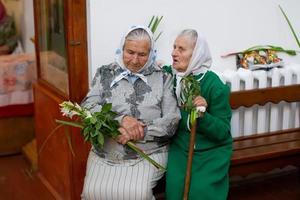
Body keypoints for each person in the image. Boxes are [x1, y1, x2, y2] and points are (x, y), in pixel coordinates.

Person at [80, 25, 180, 200]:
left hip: (147, 153)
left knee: (136, 195)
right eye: (130, 52)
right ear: (122, 49)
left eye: (142, 54)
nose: (135, 60)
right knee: (92, 193)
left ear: (151, 53)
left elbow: (172, 121)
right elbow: (88, 106)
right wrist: (120, 120)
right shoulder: (105, 73)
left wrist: (138, 132)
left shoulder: (163, 77)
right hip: (106, 151)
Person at [164, 29, 232, 200]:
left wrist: (203, 116)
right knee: (175, 190)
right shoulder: (172, 76)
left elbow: (223, 131)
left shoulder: (214, 84)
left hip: (210, 150)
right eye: (174, 47)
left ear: (196, 54)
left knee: (200, 192)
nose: (174, 53)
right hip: (181, 147)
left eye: (181, 49)